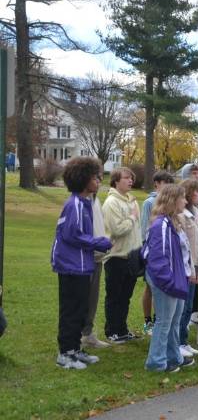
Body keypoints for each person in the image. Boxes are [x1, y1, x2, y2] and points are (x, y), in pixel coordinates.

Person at [51, 157, 112, 369]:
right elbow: (71, 235)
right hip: (70, 266)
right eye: (96, 177)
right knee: (71, 310)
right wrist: (99, 242)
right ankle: (65, 354)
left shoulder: (85, 203)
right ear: (84, 178)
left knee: (81, 309)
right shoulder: (74, 204)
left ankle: (75, 349)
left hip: (82, 265)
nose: (99, 180)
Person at [143, 184, 194, 372]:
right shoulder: (161, 224)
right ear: (173, 200)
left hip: (175, 280)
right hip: (166, 281)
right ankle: (156, 362)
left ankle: (173, 357)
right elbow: (157, 257)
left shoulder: (173, 222)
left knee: (173, 321)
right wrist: (169, 282)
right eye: (183, 198)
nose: (186, 201)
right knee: (164, 321)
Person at [102, 167, 142, 343]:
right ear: (116, 181)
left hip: (131, 257)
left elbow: (137, 230)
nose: (130, 181)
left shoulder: (132, 201)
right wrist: (132, 218)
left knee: (126, 296)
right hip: (116, 257)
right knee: (114, 297)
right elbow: (117, 230)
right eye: (126, 178)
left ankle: (122, 329)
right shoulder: (111, 203)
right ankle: (112, 331)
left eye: (131, 178)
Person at [140, 170, 175, 336]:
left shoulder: (171, 203)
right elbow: (145, 228)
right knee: (150, 287)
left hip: (166, 253)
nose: (166, 186)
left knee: (161, 288)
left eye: (169, 183)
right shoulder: (149, 202)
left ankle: (159, 317)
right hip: (152, 251)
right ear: (157, 184)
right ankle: (148, 321)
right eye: (164, 183)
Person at [80, 184, 111, 349]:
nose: (98, 182)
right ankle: (76, 337)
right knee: (82, 298)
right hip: (85, 258)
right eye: (95, 178)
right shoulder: (80, 203)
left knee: (93, 298)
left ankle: (88, 334)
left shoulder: (95, 200)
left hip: (98, 256)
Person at [177, 180, 198, 357]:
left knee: (188, 307)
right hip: (185, 267)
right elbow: (186, 246)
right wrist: (192, 269)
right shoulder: (182, 215)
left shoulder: (195, 213)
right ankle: (178, 342)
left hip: (195, 264)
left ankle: (184, 340)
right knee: (183, 307)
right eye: (197, 192)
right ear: (188, 194)